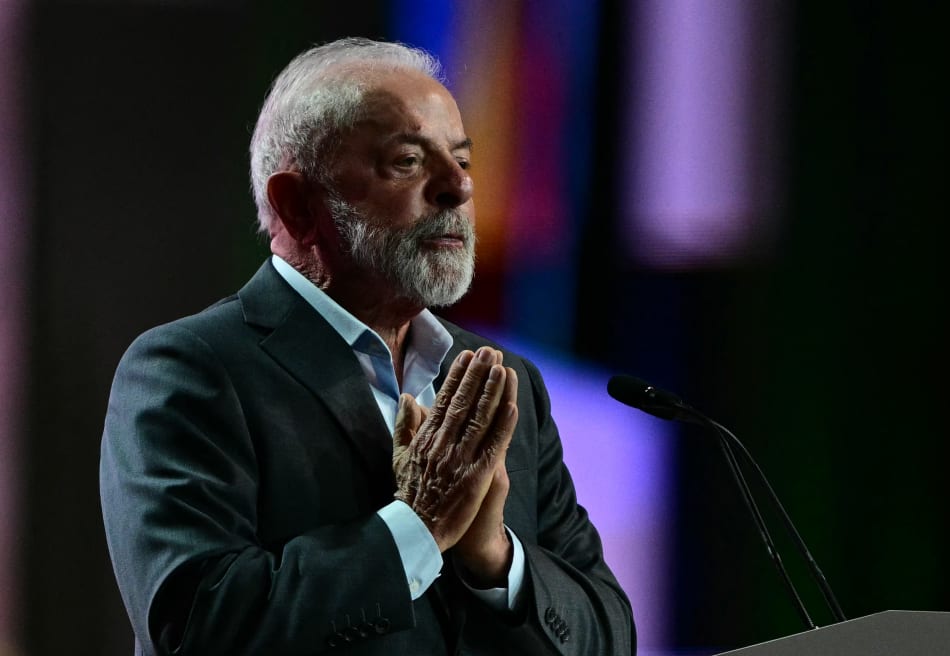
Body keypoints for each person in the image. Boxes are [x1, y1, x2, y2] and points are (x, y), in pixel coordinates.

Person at [99, 36, 636, 655]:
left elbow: (610, 634)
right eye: (407, 161)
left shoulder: (500, 378)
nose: (457, 188)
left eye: (461, 159)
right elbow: (196, 626)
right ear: (296, 204)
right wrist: (418, 528)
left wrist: (494, 559)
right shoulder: (189, 370)